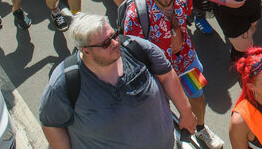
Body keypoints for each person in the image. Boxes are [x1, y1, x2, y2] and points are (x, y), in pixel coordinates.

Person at [38, 13, 197, 147]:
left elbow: (167, 75)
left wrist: (186, 111)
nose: (115, 43)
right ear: (86, 51)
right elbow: (51, 124)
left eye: (113, 35)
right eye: (106, 43)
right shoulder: (65, 83)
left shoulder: (137, 48)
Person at [123, 0, 225, 149]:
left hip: (186, 60)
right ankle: (175, 134)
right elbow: (134, 53)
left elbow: (186, 17)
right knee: (163, 109)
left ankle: (200, 128)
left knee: (197, 96)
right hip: (158, 73)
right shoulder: (136, 15)